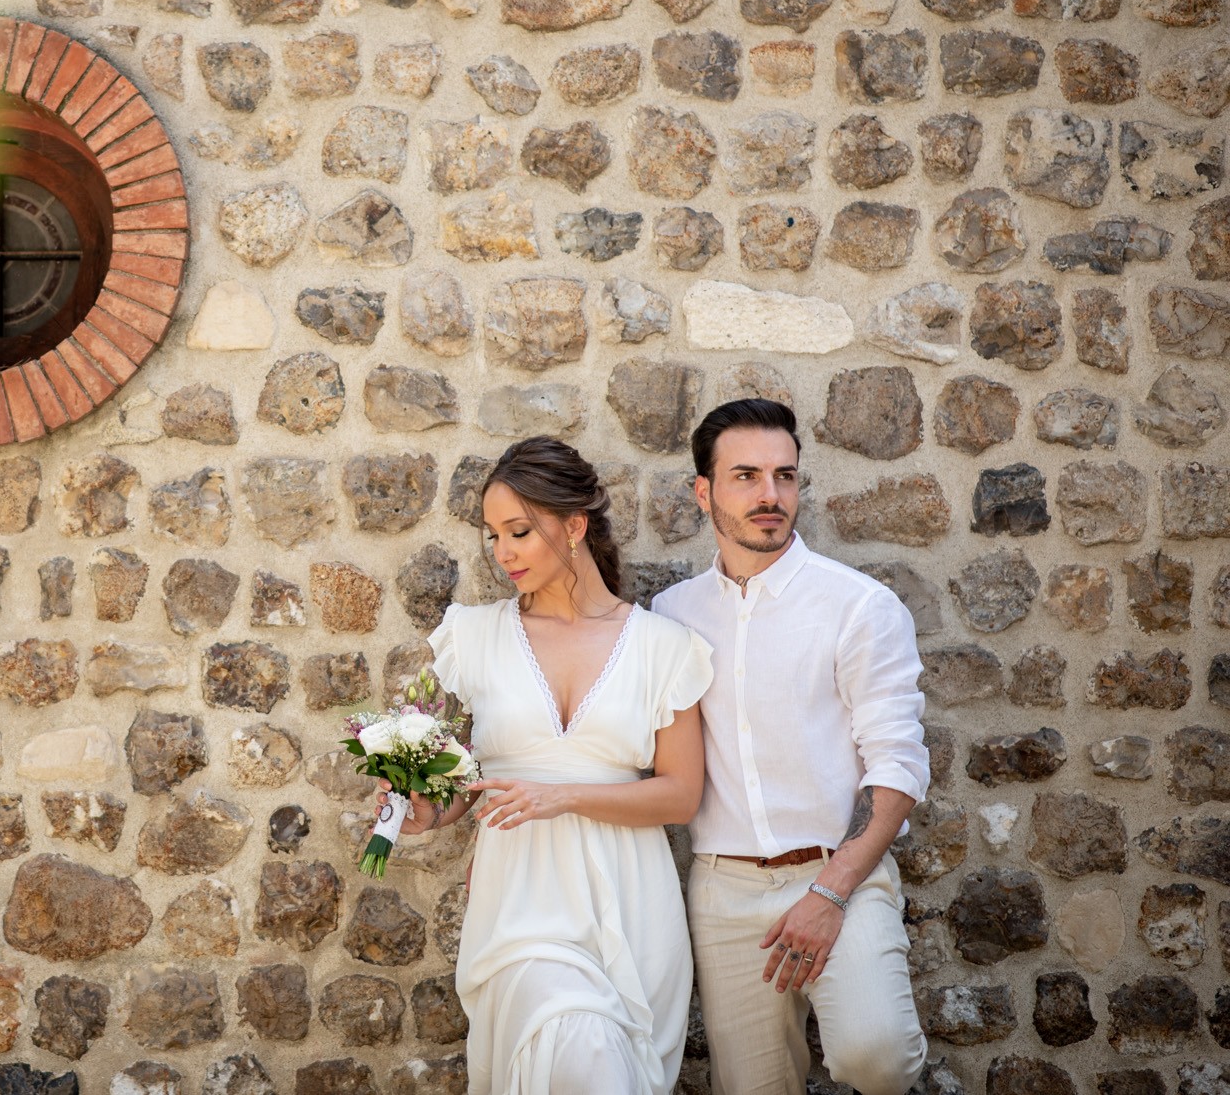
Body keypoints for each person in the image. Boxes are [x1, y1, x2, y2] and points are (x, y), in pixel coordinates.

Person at [395, 437, 715, 1094]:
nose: (503, 551)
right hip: (520, 900)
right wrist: (425, 809)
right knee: (572, 1041)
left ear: (574, 526)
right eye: (494, 535)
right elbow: (467, 787)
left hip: (631, 903)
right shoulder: (475, 637)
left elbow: (681, 796)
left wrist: (561, 795)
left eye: (519, 531)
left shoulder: (664, 647)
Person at [651, 398, 929, 1095]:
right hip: (724, 889)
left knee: (879, 1058)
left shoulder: (859, 606)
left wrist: (829, 893)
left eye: (785, 475)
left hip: (843, 874)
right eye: (745, 475)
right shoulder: (671, 617)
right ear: (703, 491)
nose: (770, 495)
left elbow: (896, 765)